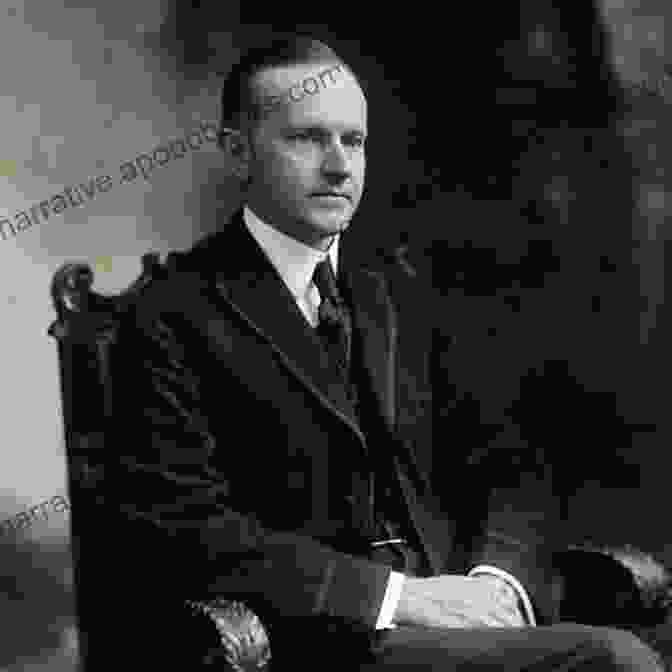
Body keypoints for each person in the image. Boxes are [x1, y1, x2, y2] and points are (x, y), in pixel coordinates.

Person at [104, 34, 667, 670]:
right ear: (237, 152)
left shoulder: (401, 291)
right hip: (320, 641)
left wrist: (495, 583)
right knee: (611, 661)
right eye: (308, 139)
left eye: (354, 140)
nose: (339, 166)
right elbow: (186, 527)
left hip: (466, 618)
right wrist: (396, 598)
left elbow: (510, 463)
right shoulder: (172, 313)